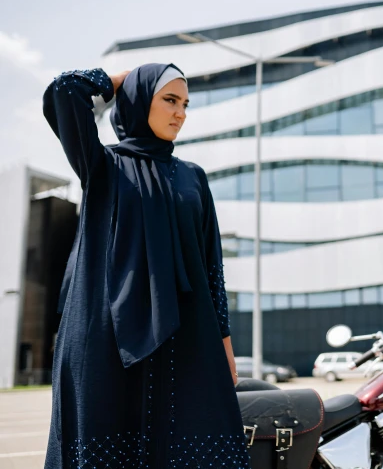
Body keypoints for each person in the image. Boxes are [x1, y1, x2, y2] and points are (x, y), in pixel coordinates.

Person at [42, 64, 251, 468]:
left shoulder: (193, 177)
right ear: (139, 101)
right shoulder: (101, 166)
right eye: (170, 100)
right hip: (105, 338)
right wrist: (120, 81)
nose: (181, 114)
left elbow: (212, 266)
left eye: (186, 104)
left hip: (188, 335)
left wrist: (224, 344)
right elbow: (64, 91)